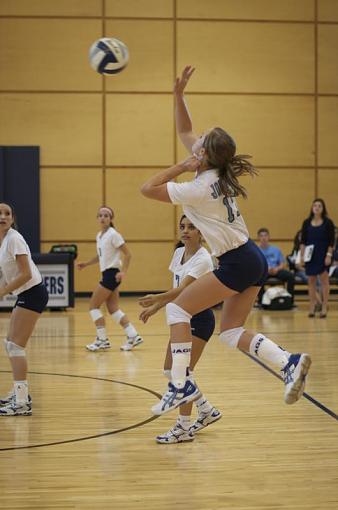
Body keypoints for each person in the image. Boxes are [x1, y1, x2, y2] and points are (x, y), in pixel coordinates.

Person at [140, 65, 311, 415]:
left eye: (201, 142)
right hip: (250, 258)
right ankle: (288, 362)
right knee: (231, 332)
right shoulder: (214, 169)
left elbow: (147, 188)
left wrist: (179, 167)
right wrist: (177, 95)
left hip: (236, 260)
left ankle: (179, 383)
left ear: (202, 155)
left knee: (176, 309)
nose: (196, 138)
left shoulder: (199, 186)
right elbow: (185, 128)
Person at [139, 215, 221, 443]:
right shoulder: (178, 254)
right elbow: (176, 289)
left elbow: (184, 290)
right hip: (182, 317)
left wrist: (157, 298)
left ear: (201, 233)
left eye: (192, 227)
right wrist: (157, 306)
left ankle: (183, 428)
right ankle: (206, 410)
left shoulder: (204, 259)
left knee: (181, 374)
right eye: (182, 226)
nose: (186, 230)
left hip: (199, 319)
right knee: (170, 370)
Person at [0, 202, 49, 416]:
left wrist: (2, 292)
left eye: (7, 213)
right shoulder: (3, 241)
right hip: (25, 294)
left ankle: (21, 403)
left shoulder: (14, 239)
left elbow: (26, 274)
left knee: (15, 347)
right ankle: (20, 392)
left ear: (12, 218)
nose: (3, 216)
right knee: (10, 343)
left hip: (32, 293)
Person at [77, 206, 143, 351]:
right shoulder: (99, 235)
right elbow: (100, 256)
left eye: (106, 215)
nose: (103, 218)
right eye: (100, 215)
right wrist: (86, 264)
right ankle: (133, 335)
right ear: (97, 218)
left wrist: (123, 272)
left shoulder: (114, 234)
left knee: (93, 306)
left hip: (112, 274)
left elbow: (128, 254)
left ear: (111, 219)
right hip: (107, 273)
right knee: (113, 308)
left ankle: (102, 340)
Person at [300, 198, 335, 318]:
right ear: (312, 208)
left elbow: (332, 241)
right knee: (311, 282)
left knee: (324, 281)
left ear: (323, 208)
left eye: (319, 205)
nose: (317, 207)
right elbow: (303, 241)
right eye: (315, 205)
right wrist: (302, 257)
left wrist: (329, 255)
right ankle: (312, 306)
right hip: (310, 255)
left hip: (323, 254)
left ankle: (324, 306)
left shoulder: (328, 223)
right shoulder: (306, 222)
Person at [257, 228, 295, 304]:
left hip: (276, 270)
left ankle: (289, 301)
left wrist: (277, 269)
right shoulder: (256, 250)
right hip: (264, 271)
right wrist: (266, 269)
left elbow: (282, 263)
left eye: (265, 235)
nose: (264, 238)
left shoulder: (276, 249)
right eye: (261, 236)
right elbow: (255, 265)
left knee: (290, 276)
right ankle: (262, 302)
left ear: (269, 237)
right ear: (258, 238)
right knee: (257, 278)